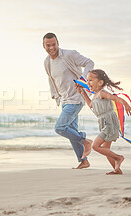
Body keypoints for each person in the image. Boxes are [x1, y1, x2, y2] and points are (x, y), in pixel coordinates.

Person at [43, 32, 94, 169]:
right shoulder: (47, 62)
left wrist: (83, 80)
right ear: (44, 46)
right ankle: (83, 161)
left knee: (60, 128)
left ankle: (85, 141)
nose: (51, 47)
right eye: (48, 45)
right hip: (64, 100)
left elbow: (89, 62)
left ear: (58, 43)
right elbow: (51, 78)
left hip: (76, 97)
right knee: (71, 130)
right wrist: (55, 95)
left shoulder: (69, 54)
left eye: (53, 44)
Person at [76, 69, 131, 174]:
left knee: (95, 146)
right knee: (106, 149)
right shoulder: (95, 94)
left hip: (109, 123)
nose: (88, 83)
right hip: (103, 122)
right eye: (87, 80)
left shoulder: (102, 93)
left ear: (100, 82)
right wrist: (83, 92)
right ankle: (117, 169)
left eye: (90, 80)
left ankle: (118, 158)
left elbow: (116, 99)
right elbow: (91, 105)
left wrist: (126, 105)